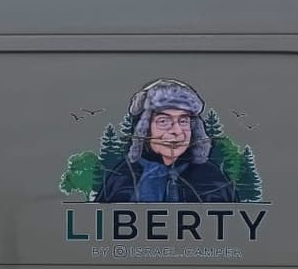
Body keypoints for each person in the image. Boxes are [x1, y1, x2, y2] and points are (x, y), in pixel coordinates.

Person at [95, 78, 237, 203]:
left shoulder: (211, 178)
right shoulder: (124, 176)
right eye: (163, 121)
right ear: (144, 129)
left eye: (183, 121)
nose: (177, 131)